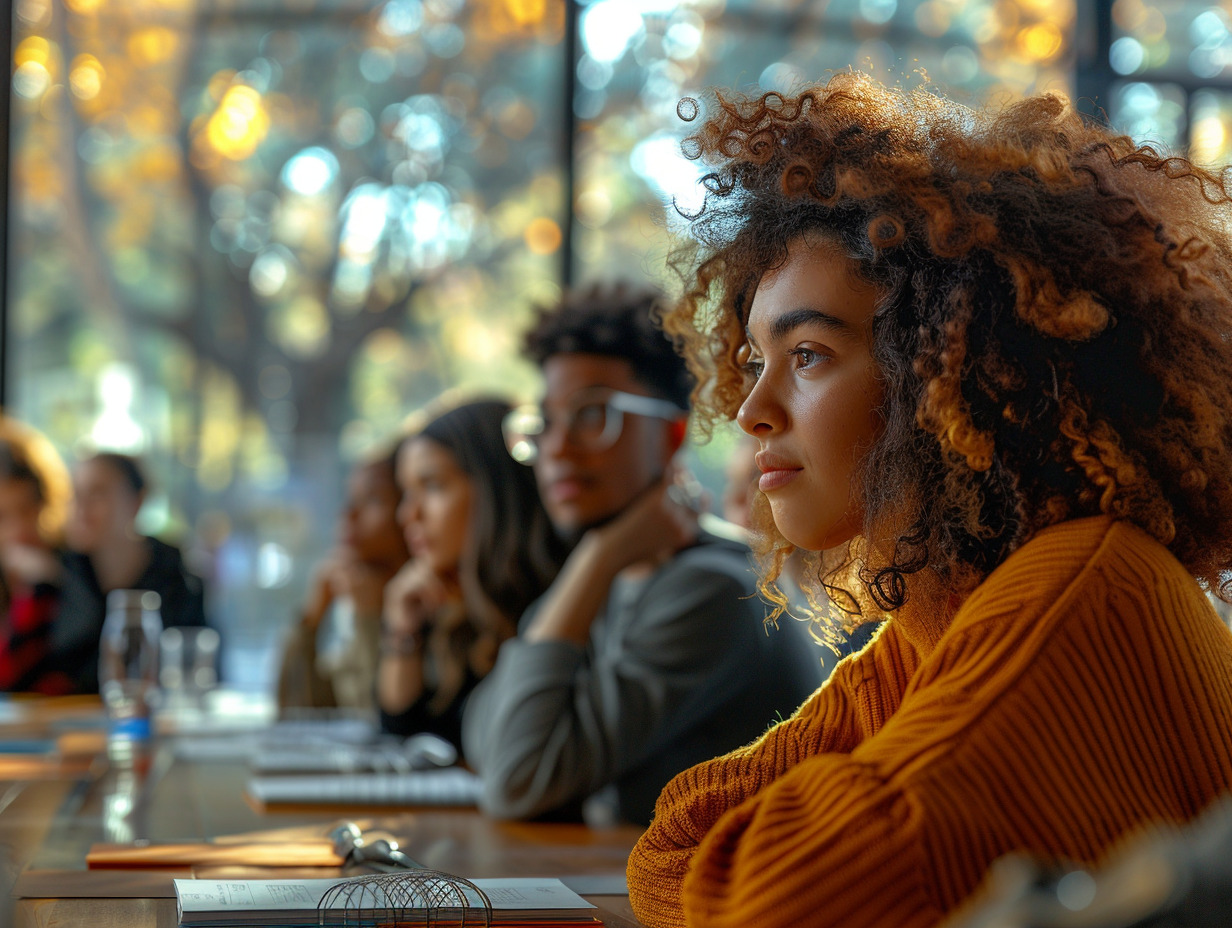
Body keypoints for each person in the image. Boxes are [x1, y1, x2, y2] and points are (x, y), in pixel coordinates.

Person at [625, 72, 1232, 928]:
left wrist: (733, 875)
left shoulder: (1080, 593)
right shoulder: (943, 616)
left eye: (806, 355)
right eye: (755, 359)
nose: (751, 411)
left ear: (950, 369)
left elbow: (783, 902)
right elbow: (674, 845)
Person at [460, 287, 823, 826]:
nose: (557, 448)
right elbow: (483, 737)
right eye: (547, 422)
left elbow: (517, 780)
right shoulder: (617, 573)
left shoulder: (713, 590)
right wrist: (598, 563)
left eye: (592, 415)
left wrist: (596, 561)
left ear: (670, 433)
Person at [378, 398, 569, 751]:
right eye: (407, 492)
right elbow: (405, 737)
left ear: (497, 490)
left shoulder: (558, 601)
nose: (409, 515)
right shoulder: (454, 607)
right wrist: (402, 632)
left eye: (433, 486)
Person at [58, 452, 208, 693]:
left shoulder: (178, 579)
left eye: (97, 494)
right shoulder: (58, 574)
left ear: (137, 501)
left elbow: (198, 670)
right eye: (75, 494)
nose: (81, 508)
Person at [277, 446, 409, 712]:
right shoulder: (355, 593)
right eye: (350, 499)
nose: (348, 515)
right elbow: (296, 713)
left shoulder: (419, 608)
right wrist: (312, 619)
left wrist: (369, 619)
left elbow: (373, 722)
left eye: (373, 500)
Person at [0, 419, 74, 694]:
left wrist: (42, 585)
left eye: (28, 509)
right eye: (2, 516)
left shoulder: (72, 569)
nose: (17, 529)